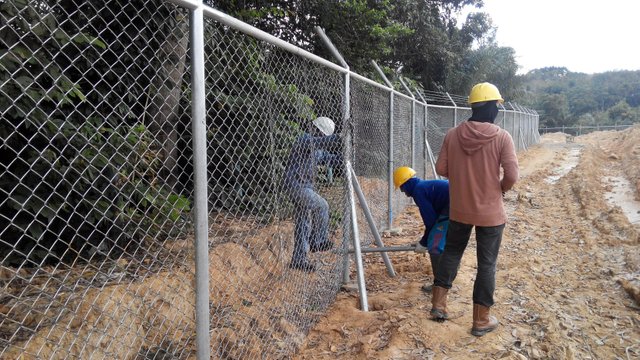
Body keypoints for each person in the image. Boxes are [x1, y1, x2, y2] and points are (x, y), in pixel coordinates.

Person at [431, 82, 519, 337]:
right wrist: (499, 188)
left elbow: (441, 169)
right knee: (487, 264)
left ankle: (438, 305)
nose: (498, 111)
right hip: (491, 214)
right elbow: (512, 175)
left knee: (452, 252)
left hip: (459, 209)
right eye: (498, 106)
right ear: (492, 107)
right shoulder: (502, 137)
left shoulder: (452, 134)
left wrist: (462, 174)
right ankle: (481, 321)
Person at [283, 117, 342, 272]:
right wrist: (340, 138)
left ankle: (299, 259)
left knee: (303, 223)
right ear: (315, 129)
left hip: (304, 186)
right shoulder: (305, 140)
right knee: (322, 205)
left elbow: (328, 158)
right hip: (295, 185)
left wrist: (344, 159)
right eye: (322, 134)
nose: (321, 137)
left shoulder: (318, 148)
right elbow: (319, 143)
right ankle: (318, 240)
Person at [393, 166, 449, 293]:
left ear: (406, 184)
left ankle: (440, 286)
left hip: (453, 206)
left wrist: (424, 243)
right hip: (456, 202)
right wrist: (423, 241)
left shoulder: (419, 191)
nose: (403, 192)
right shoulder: (423, 186)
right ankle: (447, 276)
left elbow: (431, 222)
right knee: (440, 239)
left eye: (401, 187)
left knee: (435, 246)